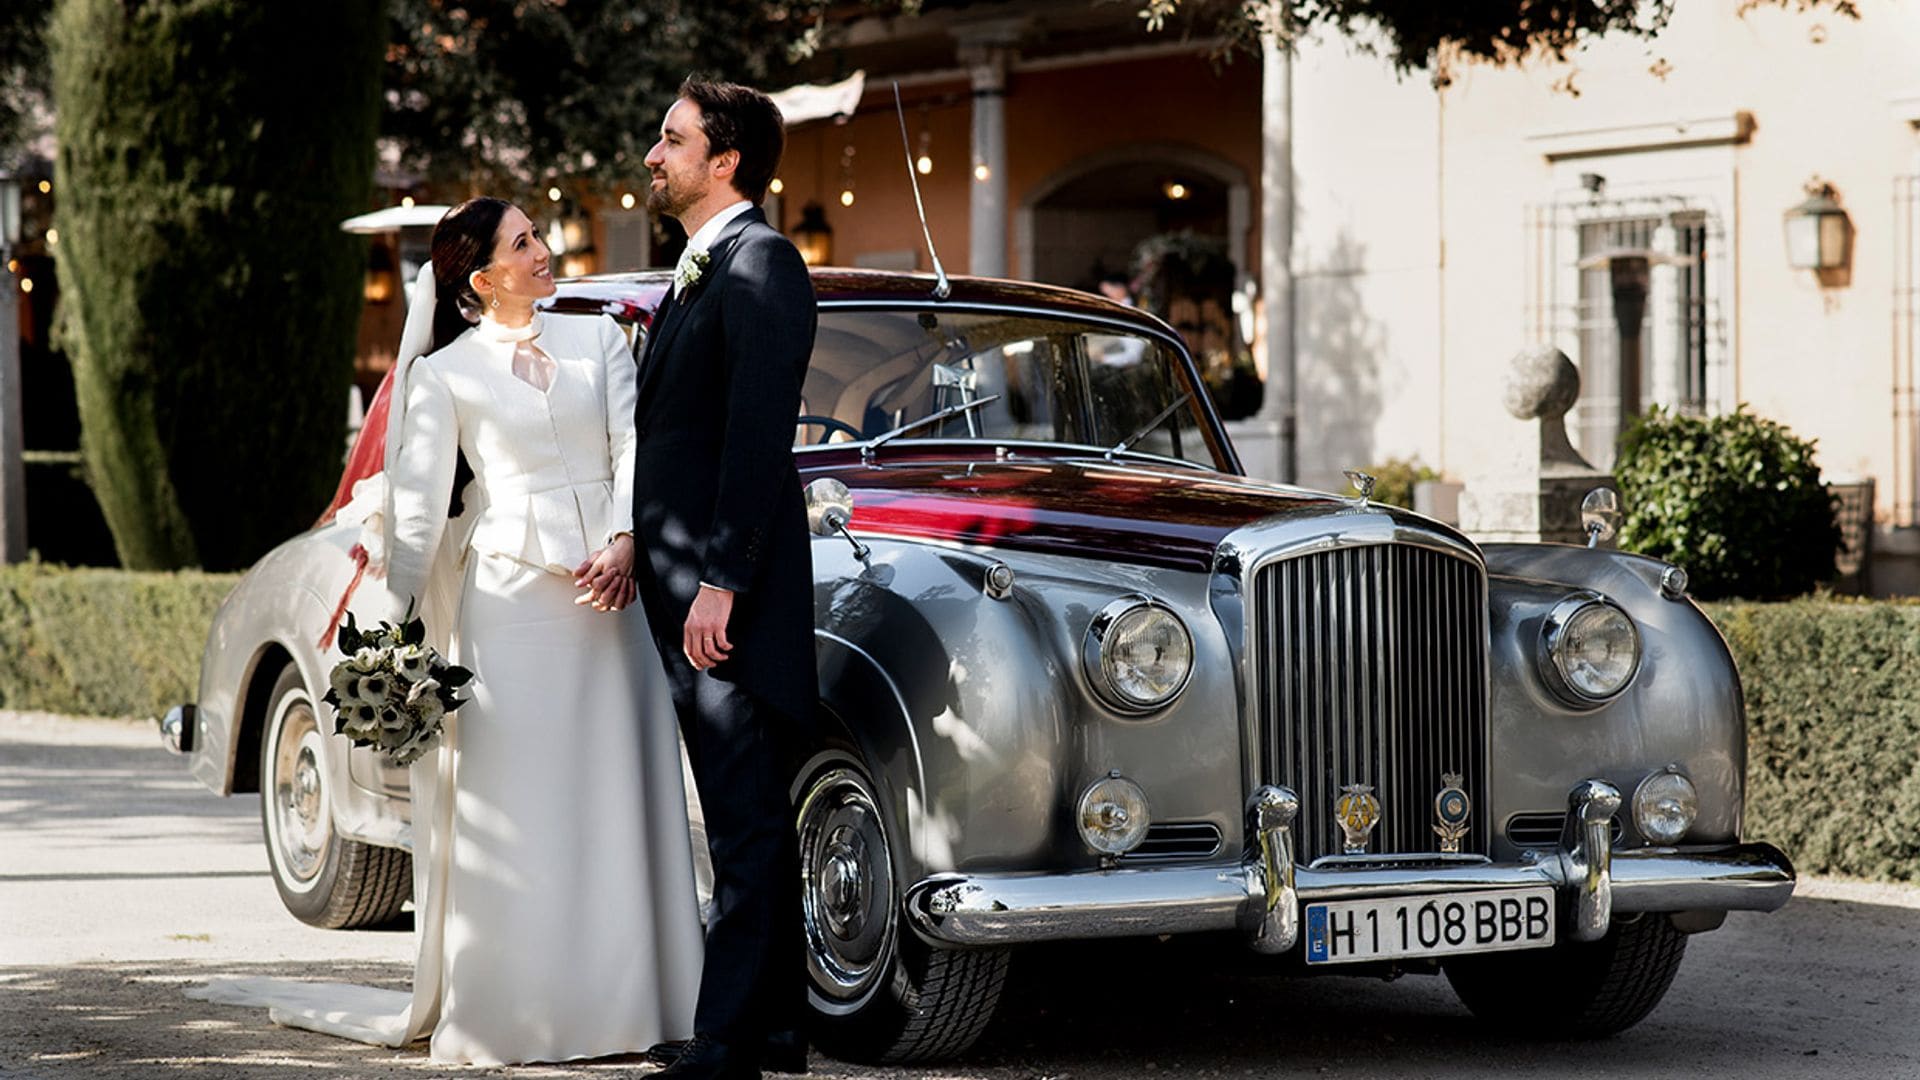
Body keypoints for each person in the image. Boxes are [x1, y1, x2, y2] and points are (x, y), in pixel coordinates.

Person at [188, 198, 704, 1066]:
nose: (546, 250)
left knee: (620, 793)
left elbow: (633, 453)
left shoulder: (602, 341)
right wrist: (389, 628)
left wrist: (625, 543)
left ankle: (642, 1004)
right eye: (525, 242)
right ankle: (520, 1013)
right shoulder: (448, 375)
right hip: (509, 613)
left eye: (540, 236)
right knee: (520, 808)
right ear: (482, 278)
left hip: (613, 607)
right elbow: (421, 517)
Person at [630, 78, 818, 1080]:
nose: (653, 155)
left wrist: (720, 582)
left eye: (672, 139)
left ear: (726, 159)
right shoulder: (705, 269)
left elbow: (756, 440)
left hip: (728, 604)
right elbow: (676, 437)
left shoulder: (764, 264)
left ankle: (725, 1042)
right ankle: (775, 1033)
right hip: (691, 590)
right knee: (744, 812)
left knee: (744, 817)